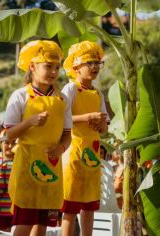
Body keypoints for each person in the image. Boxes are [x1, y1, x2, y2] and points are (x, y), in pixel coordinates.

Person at [4, 40, 72, 236]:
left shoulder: (62, 99)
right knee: (24, 224)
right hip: (26, 165)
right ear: (32, 67)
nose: (53, 71)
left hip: (51, 166)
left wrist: (61, 148)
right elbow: (8, 134)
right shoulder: (20, 95)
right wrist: (30, 122)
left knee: (42, 225)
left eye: (56, 67)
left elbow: (67, 134)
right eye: (48, 66)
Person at [61, 40, 109, 236]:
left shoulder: (98, 93)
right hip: (73, 151)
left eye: (97, 63)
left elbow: (105, 128)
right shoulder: (70, 89)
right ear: (75, 67)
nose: (94, 67)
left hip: (93, 153)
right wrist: (87, 118)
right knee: (70, 207)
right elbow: (62, 119)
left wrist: (101, 124)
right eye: (89, 63)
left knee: (89, 206)